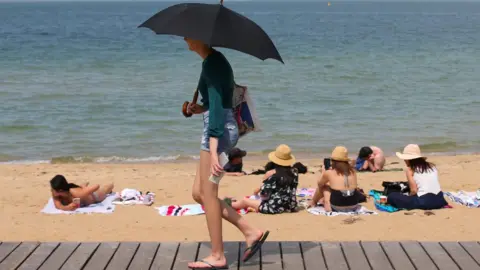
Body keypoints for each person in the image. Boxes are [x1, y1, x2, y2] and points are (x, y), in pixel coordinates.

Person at [183, 37, 268, 269]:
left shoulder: (213, 64)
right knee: (199, 193)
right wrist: (199, 107)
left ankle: (218, 255)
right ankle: (249, 230)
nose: (184, 39)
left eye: (187, 35)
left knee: (208, 194)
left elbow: (220, 108)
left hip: (217, 131)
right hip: (215, 127)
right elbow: (214, 101)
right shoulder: (212, 61)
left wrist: (213, 151)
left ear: (198, 37)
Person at [230, 144, 298, 214]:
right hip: (291, 206)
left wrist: (262, 185)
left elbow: (264, 195)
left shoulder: (272, 173)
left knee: (245, 201)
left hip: (274, 207)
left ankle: (229, 204)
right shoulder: (294, 172)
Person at [387, 144, 447, 210]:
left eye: (405, 158)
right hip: (440, 200)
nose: (404, 160)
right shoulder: (432, 166)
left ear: (409, 159)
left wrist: (409, 197)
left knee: (392, 196)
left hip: (425, 202)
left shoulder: (410, 170)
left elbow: (414, 191)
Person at [308, 146, 364, 212]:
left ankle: (314, 202)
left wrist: (323, 173)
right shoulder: (353, 171)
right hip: (353, 205)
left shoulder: (329, 173)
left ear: (333, 161)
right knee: (337, 189)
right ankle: (316, 201)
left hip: (337, 207)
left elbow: (320, 184)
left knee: (325, 187)